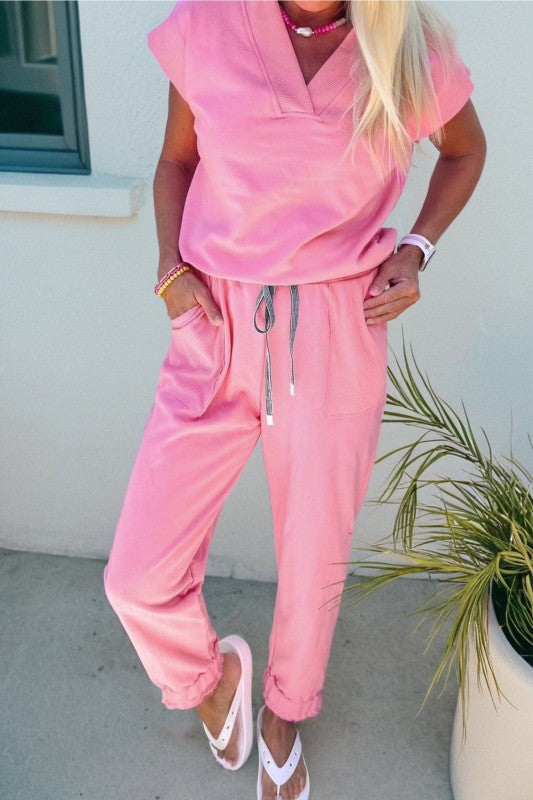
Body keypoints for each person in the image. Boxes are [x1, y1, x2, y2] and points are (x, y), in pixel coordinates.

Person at [103, 2, 486, 798]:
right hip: (215, 322)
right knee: (137, 574)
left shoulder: (406, 45)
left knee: (315, 550)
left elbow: (463, 149)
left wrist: (416, 250)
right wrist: (170, 268)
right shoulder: (209, 22)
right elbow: (176, 161)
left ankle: (284, 712)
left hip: (334, 327)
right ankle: (209, 680)